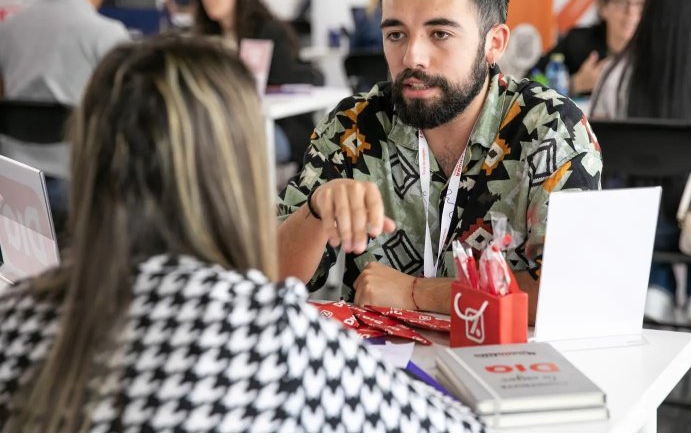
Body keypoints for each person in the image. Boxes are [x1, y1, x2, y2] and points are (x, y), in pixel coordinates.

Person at [0, 36, 484, 433]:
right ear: (241, 172)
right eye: (395, 33)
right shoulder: (276, 337)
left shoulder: (17, 322)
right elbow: (456, 431)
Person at [277, 0, 602, 321]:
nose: (412, 56)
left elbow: (572, 292)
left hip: (504, 366)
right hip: (380, 368)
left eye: (440, 34)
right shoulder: (353, 127)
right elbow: (271, 284)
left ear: (493, 43)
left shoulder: (549, 128)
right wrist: (315, 212)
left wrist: (417, 293)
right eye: (395, 34)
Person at [590, 0, 691, 331]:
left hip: (629, 227)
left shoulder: (615, 72)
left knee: (635, 181)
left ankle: (655, 286)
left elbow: (596, 150)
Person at [0, 0, 129, 232]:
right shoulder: (108, 35)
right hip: (80, 183)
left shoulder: (8, 29)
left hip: (15, 185)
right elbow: (126, 111)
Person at [194, 0, 323, 167]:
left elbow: (291, 77)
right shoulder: (204, 41)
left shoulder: (268, 32)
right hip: (225, 124)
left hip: (275, 126)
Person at [530, 0, 650, 96]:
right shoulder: (577, 42)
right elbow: (531, 82)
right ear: (603, 7)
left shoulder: (660, 50)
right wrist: (575, 84)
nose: (631, 11)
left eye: (641, 3)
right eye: (622, 0)